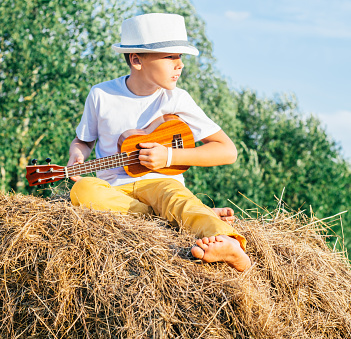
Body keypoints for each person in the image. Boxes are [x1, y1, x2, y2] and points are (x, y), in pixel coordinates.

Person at [67, 13, 250, 271]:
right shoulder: (101, 94)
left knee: (176, 198)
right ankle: (189, 215)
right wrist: (77, 154)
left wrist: (169, 157)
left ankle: (231, 244)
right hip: (114, 189)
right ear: (137, 60)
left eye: (180, 57)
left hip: (162, 183)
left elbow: (227, 151)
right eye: (170, 56)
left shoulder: (177, 99)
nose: (180, 65)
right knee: (83, 190)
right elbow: (83, 140)